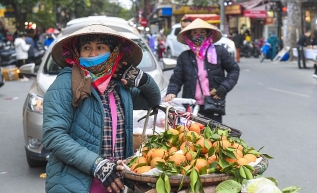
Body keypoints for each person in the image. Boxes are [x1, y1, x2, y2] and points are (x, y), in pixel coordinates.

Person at [42, 24, 161, 193]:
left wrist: (142, 79)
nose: (92, 54)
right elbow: (53, 136)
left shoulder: (119, 86)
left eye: (100, 47)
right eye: (86, 48)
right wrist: (97, 165)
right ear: (77, 52)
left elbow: (153, 101)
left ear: (113, 53)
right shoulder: (65, 84)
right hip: (75, 183)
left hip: (115, 180)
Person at [163, 18, 240, 123]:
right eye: (194, 32)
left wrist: (224, 88)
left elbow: (234, 69)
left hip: (213, 105)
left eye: (202, 32)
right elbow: (176, 79)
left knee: (214, 137)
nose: (198, 35)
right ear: (189, 36)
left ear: (208, 34)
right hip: (191, 107)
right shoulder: (184, 57)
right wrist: (171, 92)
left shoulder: (219, 52)